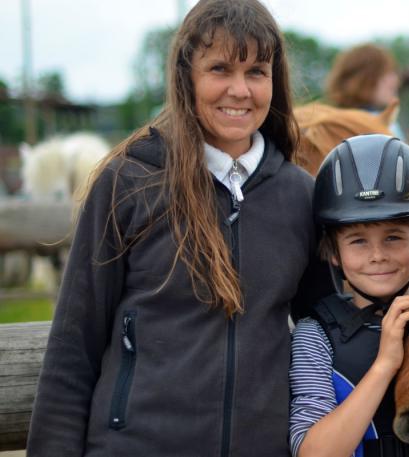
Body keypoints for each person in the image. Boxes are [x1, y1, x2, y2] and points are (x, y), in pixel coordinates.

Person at [26, 1, 330, 455]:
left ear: (275, 80)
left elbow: (328, 321)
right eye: (220, 69)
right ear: (187, 75)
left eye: (256, 72)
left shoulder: (299, 196)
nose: (239, 90)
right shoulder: (128, 182)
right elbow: (74, 347)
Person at [289, 134, 409, 457]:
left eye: (393, 237)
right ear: (333, 253)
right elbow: (313, 453)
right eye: (358, 241)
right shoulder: (315, 335)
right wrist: (385, 364)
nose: (377, 255)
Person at [324, 44, 406, 140]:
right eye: (387, 73)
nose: (396, 80)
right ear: (366, 79)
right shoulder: (383, 125)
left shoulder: (328, 126)